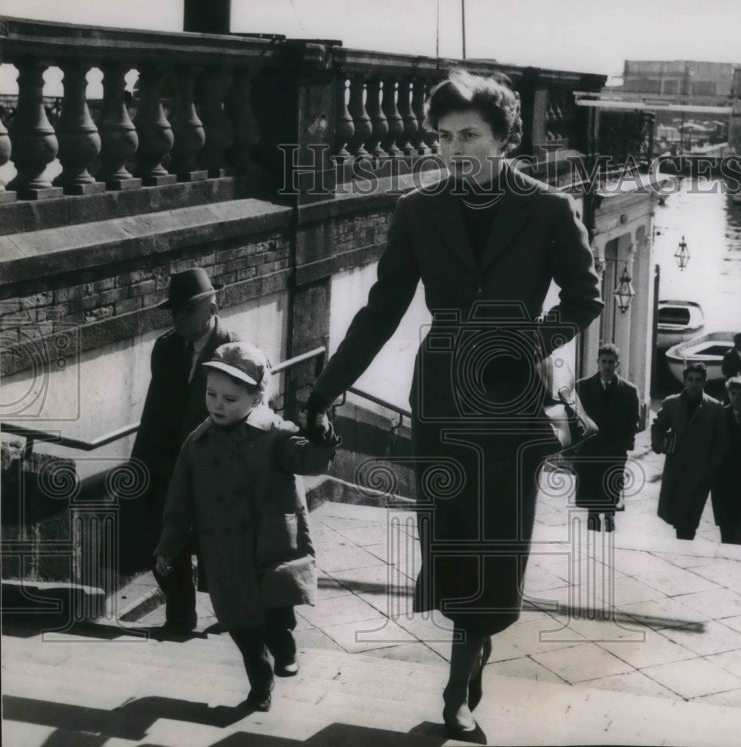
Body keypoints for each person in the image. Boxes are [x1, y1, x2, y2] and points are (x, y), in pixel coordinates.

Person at [301, 71, 603, 736]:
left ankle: (460, 678)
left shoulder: (551, 208)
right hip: (441, 396)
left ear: (503, 137)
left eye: (469, 134)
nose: (454, 148)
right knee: (452, 545)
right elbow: (380, 313)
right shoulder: (419, 210)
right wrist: (323, 392)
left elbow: (586, 300)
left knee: (496, 547)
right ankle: (471, 658)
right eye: (443, 136)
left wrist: (527, 340)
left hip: (512, 400)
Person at [155, 343, 337, 712]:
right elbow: (179, 503)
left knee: (273, 613)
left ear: (256, 397)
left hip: (269, 546)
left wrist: (323, 441)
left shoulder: (276, 434)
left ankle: (285, 645)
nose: (217, 405)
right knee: (240, 624)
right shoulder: (197, 444)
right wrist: (167, 547)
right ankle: (260, 683)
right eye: (211, 395)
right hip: (224, 553)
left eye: (230, 398)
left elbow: (308, 459)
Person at [130, 268, 239, 636]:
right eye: (173, 310)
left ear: (211, 306)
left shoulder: (234, 353)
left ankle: (234, 617)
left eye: (185, 310)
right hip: (168, 470)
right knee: (165, 547)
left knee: (220, 553)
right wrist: (139, 470)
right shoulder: (165, 349)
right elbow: (152, 415)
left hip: (215, 472)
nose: (176, 317)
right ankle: (179, 619)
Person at [651, 362, 728, 541]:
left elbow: (722, 441)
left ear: (705, 382)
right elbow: (658, 426)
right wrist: (661, 444)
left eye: (698, 380)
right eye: (690, 380)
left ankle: (683, 550)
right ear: (684, 381)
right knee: (679, 520)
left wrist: (710, 468)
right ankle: (683, 551)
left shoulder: (715, 408)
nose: (694, 384)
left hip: (700, 473)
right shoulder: (671, 403)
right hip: (676, 470)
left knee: (690, 521)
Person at [573, 343, 641, 533]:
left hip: (614, 452)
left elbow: (634, 421)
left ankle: (610, 524)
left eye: (611, 362)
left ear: (617, 364)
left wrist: (625, 445)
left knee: (611, 497)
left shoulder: (629, 391)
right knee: (592, 501)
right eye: (604, 361)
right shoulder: (582, 387)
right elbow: (573, 419)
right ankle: (592, 529)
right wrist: (575, 449)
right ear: (597, 362)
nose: (607, 366)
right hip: (590, 453)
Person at [711, 376, 741, 545]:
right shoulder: (720, 416)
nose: (737, 398)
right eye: (733, 393)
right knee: (725, 524)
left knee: (740, 524)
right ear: (728, 394)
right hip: (723, 479)